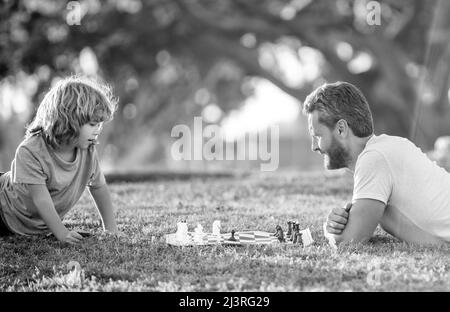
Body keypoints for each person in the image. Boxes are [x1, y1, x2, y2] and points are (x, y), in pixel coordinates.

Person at [303, 81, 450, 245]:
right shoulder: (391, 145)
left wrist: (328, 230)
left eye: (318, 136)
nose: (314, 146)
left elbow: (348, 242)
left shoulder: (374, 158)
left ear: (341, 129)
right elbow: (434, 242)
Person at [0, 76, 119, 245]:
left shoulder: (88, 151)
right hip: (4, 211)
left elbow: (99, 187)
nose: (97, 130)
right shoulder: (31, 151)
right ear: (70, 120)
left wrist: (111, 229)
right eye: (93, 124)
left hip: (33, 225)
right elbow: (41, 199)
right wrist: (61, 233)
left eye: (99, 125)